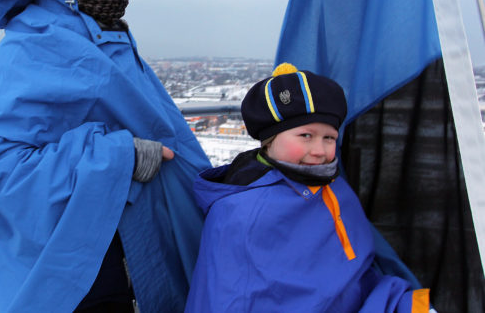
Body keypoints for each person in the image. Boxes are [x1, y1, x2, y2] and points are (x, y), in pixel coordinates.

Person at [0, 0, 211, 312]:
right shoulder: (35, 43)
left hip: (134, 253)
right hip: (77, 271)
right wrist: (118, 155)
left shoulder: (110, 35)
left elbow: (167, 134)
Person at [184, 63, 432, 312]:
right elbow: (228, 298)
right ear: (270, 140)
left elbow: (357, 273)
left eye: (329, 138)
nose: (319, 151)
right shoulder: (242, 213)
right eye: (306, 136)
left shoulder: (331, 184)